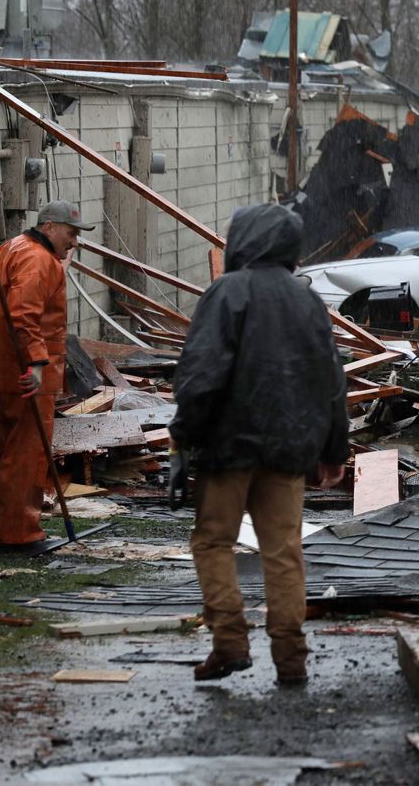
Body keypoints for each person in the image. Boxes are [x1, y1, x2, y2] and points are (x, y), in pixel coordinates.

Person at [169, 202, 349, 687]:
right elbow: (331, 379)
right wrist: (334, 450)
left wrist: (182, 438)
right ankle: (291, 661)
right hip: (288, 451)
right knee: (284, 551)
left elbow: (201, 374)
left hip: (228, 449)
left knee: (213, 542)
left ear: (242, 239)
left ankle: (229, 643)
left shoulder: (227, 292)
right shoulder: (306, 300)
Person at [0, 200, 92, 552]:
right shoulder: (37, 259)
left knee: (6, 452)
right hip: (28, 373)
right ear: (50, 227)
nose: (74, 242)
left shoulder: (12, 248)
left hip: (5, 368)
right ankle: (19, 533)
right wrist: (37, 364)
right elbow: (23, 315)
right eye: (71, 233)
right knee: (26, 453)